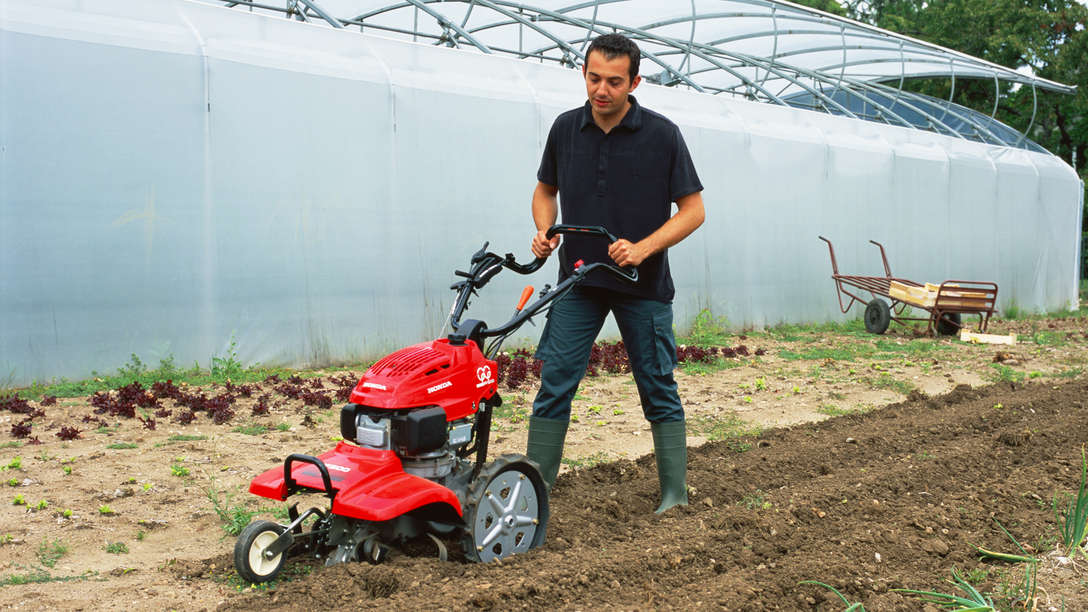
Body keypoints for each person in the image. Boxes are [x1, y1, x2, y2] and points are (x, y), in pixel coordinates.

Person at [526, 33, 705, 514]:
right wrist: (545, 230)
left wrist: (644, 248)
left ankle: (674, 495)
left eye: (613, 81)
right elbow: (545, 192)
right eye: (593, 78)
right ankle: (535, 488)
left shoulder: (662, 135)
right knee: (555, 381)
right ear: (584, 74)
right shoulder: (566, 129)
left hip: (641, 287)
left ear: (634, 82)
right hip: (578, 281)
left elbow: (693, 211)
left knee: (656, 383)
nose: (601, 90)